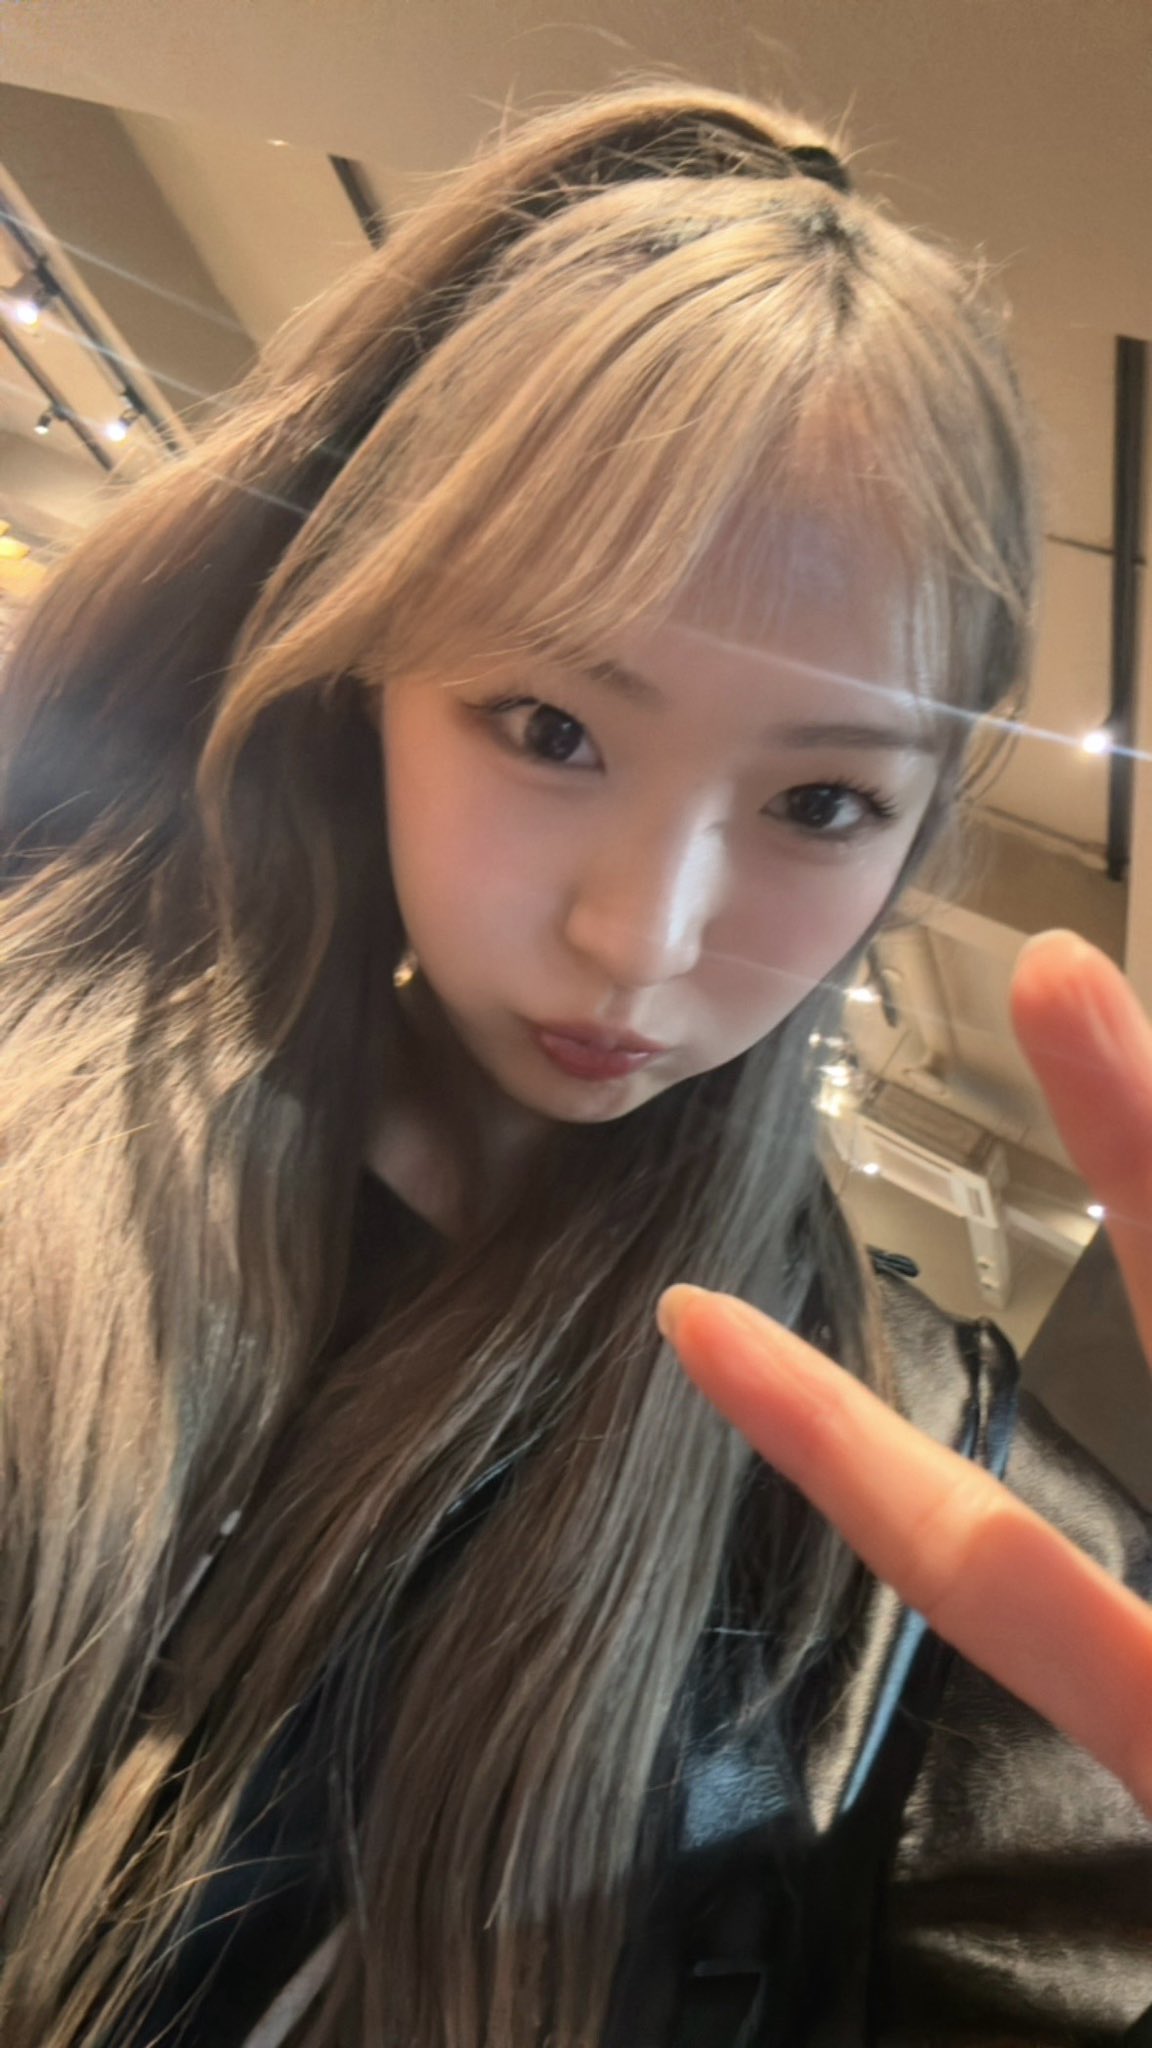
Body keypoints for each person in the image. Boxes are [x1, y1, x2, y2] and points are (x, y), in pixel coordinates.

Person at [0, 77, 1148, 2048]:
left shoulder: (928, 1532)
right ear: (364, 665)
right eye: (548, 726)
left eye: (820, 802)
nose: (645, 936)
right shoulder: (42, 1149)